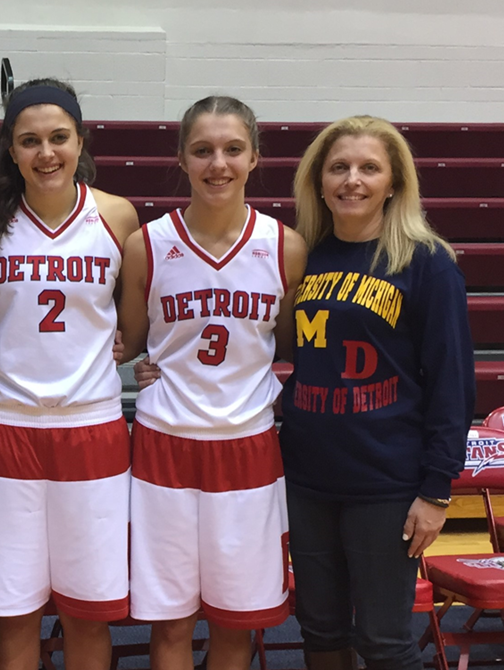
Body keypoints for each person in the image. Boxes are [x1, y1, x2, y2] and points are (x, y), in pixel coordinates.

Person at [117, 95, 307, 670]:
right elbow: (128, 340)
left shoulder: (285, 247)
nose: (216, 164)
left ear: (255, 157)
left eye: (231, 150)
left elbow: (293, 345)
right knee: (171, 623)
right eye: (202, 150)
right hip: (163, 447)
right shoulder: (145, 244)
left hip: (248, 447)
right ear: (181, 158)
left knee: (234, 622)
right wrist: (146, 367)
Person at [278, 116, 473, 670]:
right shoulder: (303, 256)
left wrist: (437, 490)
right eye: (338, 167)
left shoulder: (427, 263)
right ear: (318, 181)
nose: (352, 180)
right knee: (320, 630)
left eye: (369, 168)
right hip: (309, 478)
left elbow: (452, 383)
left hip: (386, 484)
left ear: (394, 183)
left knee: (385, 642)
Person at [0, 79, 140, 670]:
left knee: (87, 612)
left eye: (58, 138)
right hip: (5, 428)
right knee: (14, 610)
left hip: (91, 427)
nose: (46, 153)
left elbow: (136, 319)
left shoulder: (116, 215)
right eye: (30, 141)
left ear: (81, 140)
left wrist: (131, 343)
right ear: (10, 151)